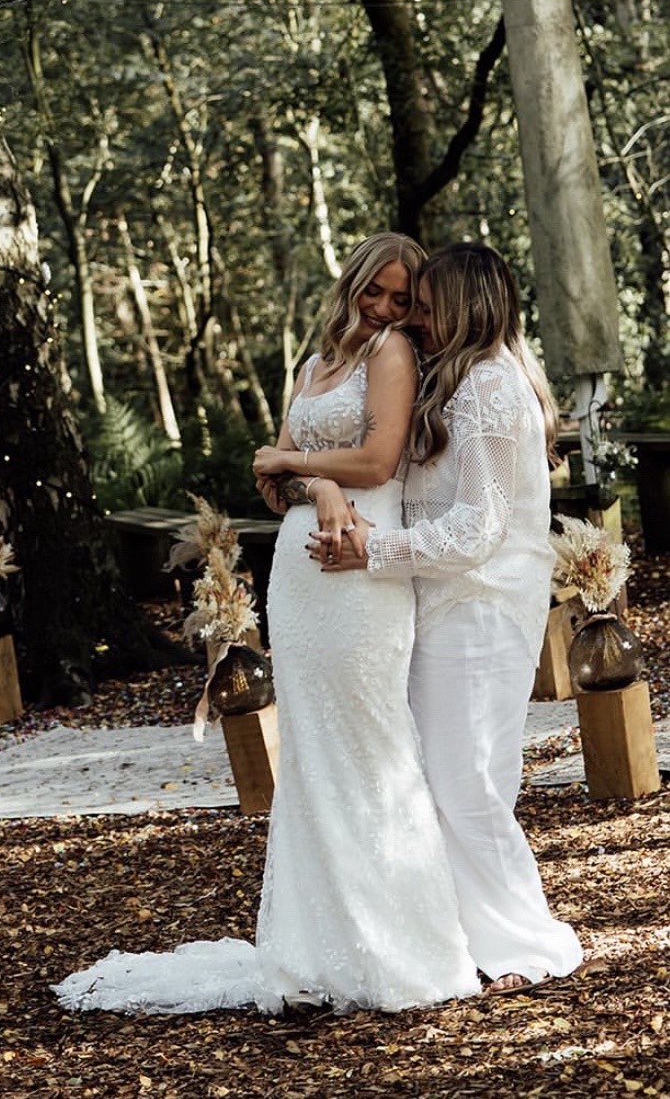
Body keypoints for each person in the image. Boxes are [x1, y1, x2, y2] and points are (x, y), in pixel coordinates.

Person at [53, 231, 480, 1017]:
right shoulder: (313, 368)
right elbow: (271, 478)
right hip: (300, 571)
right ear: (348, 285)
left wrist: (298, 470)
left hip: (359, 563)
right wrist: (305, 481)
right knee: (313, 752)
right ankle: (318, 946)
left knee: (374, 741)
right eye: (372, 292)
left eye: (399, 296)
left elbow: (380, 462)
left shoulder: (393, 355)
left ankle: (405, 948)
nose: (385, 308)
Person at [308, 242, 583, 994]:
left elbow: (477, 531)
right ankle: (466, 931)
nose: (416, 321)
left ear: (465, 307)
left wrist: (375, 551)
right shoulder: (460, 382)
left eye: (427, 307)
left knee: (469, 783)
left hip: (485, 607)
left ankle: (525, 939)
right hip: (447, 602)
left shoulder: (493, 389)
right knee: (448, 777)